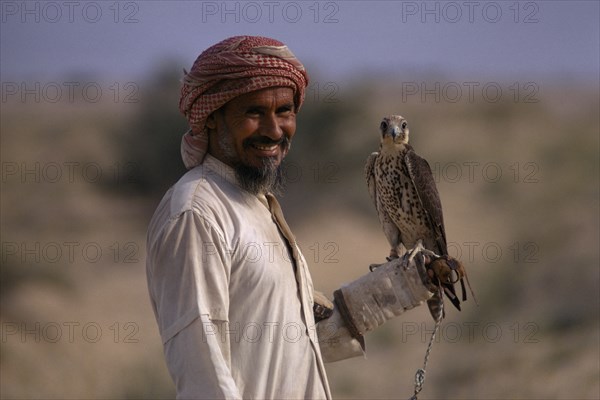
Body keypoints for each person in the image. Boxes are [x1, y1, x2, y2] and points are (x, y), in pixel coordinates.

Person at [146, 35, 435, 400]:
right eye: (253, 113)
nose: (273, 130)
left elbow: (285, 344)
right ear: (213, 118)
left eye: (284, 111)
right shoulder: (196, 214)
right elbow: (202, 373)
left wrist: (401, 287)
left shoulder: (254, 203)